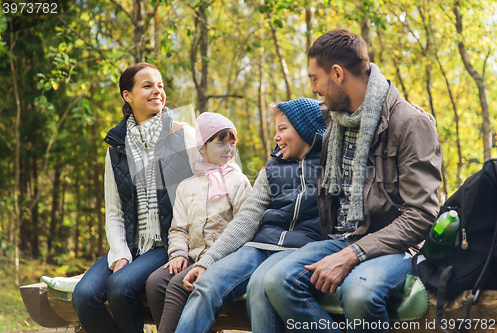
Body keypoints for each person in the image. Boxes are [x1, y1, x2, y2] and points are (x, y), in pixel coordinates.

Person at [262, 29, 443, 333]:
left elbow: (422, 215)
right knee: (276, 281)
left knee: (358, 294)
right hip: (339, 238)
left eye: (314, 78)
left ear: (337, 74)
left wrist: (353, 254)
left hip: (396, 246)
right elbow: (295, 123)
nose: (314, 89)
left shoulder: (409, 123)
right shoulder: (339, 118)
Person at [173, 98, 328, 333]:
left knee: (260, 286)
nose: (276, 137)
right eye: (275, 130)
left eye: (282, 129)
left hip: (299, 249)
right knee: (206, 284)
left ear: (305, 129)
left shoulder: (331, 167)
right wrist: (208, 261)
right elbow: (245, 220)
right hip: (258, 246)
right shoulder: (270, 170)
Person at [72, 62, 199, 333]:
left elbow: (208, 188)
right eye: (148, 85)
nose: (157, 91)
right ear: (127, 96)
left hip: (168, 243)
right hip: (131, 244)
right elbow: (115, 211)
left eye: (160, 85)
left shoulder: (182, 133)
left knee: (120, 287)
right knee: (84, 295)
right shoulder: (116, 147)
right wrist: (120, 255)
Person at [145, 112, 252, 333]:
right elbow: (178, 229)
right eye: (221, 143)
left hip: (222, 258)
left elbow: (245, 226)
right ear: (202, 147)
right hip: (193, 256)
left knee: (177, 286)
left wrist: (214, 258)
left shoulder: (238, 181)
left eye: (232, 144)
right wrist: (178, 254)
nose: (229, 150)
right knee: (155, 282)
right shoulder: (187, 186)